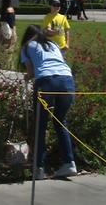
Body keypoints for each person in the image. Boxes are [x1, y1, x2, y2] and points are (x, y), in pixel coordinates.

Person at [20, 24, 77, 180]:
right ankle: (69, 162)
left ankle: (39, 168)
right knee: (60, 122)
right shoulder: (53, 44)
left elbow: (31, 72)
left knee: (40, 125)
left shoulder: (26, 46)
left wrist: (27, 77)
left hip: (46, 82)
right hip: (67, 81)